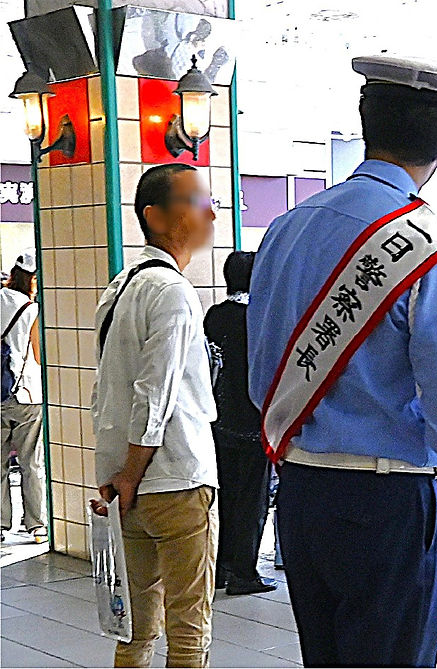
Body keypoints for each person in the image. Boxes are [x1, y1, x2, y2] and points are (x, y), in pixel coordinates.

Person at [248, 55, 437, 667]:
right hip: (385, 503)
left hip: (301, 494)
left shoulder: (285, 228)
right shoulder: (436, 254)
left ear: (366, 119)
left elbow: (264, 384)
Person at [90, 163, 219, 668]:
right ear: (156, 216)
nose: (209, 211)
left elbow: (107, 388)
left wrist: (117, 472)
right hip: (175, 479)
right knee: (189, 625)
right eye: (195, 201)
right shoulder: (173, 292)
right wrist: (133, 469)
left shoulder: (119, 286)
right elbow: (155, 392)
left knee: (136, 627)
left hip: (126, 483)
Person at [205, 251, 276, 596]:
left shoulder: (213, 317)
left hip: (218, 422)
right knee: (252, 500)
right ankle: (245, 572)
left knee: (224, 497)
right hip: (254, 424)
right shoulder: (261, 318)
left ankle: (220, 567)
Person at [1, 250, 46, 544]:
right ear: (32, 278)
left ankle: (1, 524)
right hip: (25, 395)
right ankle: (37, 525)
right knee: (31, 463)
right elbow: (39, 357)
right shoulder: (31, 310)